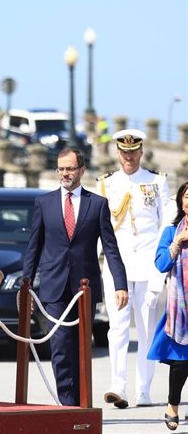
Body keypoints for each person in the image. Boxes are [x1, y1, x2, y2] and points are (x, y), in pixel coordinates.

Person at [22, 148, 129, 406]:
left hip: (84, 288)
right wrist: (26, 284)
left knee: (81, 347)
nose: (65, 173)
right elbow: (34, 247)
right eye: (60, 168)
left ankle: (81, 404)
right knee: (60, 347)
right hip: (53, 286)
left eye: (70, 168)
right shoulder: (44, 203)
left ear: (82, 170)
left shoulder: (98, 204)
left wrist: (120, 284)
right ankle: (67, 405)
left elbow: (111, 248)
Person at [96, 129, 171, 408]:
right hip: (117, 267)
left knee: (146, 329)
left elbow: (166, 226)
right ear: (118, 154)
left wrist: (160, 271)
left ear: (141, 152)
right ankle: (118, 385)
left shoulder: (156, 182)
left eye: (133, 151)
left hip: (148, 265)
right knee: (117, 328)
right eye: (124, 152)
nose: (129, 157)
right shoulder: (105, 184)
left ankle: (144, 389)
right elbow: (100, 229)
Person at [148, 181, 188, 431]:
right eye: (187, 196)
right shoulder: (171, 230)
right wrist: (178, 242)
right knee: (181, 361)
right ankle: (172, 405)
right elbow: (161, 264)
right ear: (181, 201)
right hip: (181, 308)